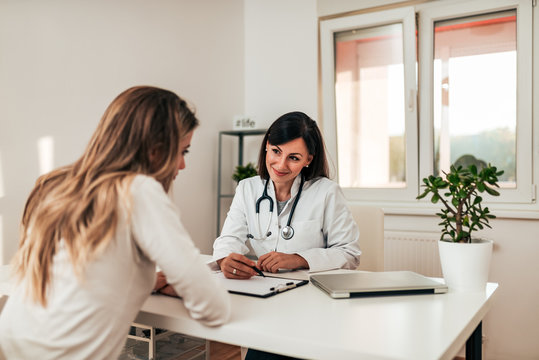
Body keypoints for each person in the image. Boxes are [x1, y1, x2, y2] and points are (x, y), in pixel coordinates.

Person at [0, 86, 231, 359]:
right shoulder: (138, 190)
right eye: (183, 151)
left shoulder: (59, 183)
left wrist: (146, 282)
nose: (182, 165)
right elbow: (213, 308)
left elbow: (87, 276)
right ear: (156, 150)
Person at [213, 111, 361, 280]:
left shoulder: (327, 192)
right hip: (264, 286)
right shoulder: (247, 188)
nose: (281, 165)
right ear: (267, 145)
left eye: (294, 158)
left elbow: (349, 254)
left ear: (308, 160)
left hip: (310, 289)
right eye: (276, 151)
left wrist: (298, 259)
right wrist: (225, 260)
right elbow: (229, 239)